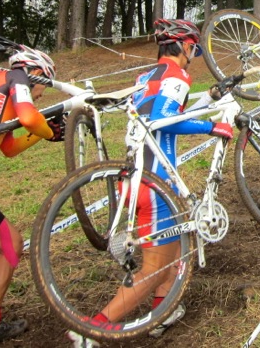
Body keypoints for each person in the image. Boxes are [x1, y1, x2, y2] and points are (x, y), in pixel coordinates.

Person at [67, 19, 234, 347]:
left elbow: (164, 114)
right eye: (194, 50)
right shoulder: (178, 75)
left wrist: (208, 100)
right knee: (155, 268)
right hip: (155, 181)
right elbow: (162, 121)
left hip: (138, 179)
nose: (193, 57)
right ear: (185, 46)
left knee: (172, 249)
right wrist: (210, 127)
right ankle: (93, 329)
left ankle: (164, 310)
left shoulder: (146, 77)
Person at [0, 45, 63, 346]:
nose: (40, 96)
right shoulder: (17, 76)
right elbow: (30, 117)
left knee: (10, 243)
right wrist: (47, 130)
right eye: (42, 87)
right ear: (36, 74)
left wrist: (43, 132)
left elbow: (8, 148)